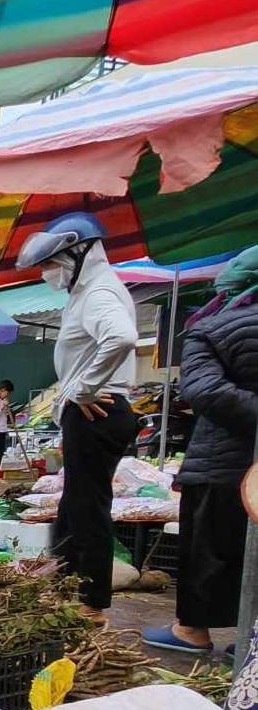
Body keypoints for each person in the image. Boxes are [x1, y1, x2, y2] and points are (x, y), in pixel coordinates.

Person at [16, 213, 139, 614]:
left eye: (50, 263)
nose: (47, 272)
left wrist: (84, 388)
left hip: (96, 411)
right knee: (74, 504)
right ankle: (65, 584)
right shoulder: (85, 293)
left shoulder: (100, 292)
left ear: (77, 254)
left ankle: (91, 606)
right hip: (86, 411)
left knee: (88, 506)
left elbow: (121, 337)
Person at [143, 247, 258, 655]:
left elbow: (204, 391)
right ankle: (251, 642)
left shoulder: (210, 328)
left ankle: (192, 631)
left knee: (208, 549)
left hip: (221, 463)